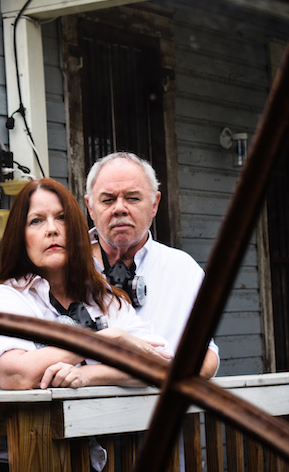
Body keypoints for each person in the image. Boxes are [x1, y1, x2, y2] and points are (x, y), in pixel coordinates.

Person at [0, 178, 169, 391]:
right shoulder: (10, 297)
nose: (52, 229)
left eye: (62, 218)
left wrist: (88, 375)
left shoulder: (104, 297)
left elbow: (161, 366)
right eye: (36, 220)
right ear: (20, 237)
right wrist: (107, 339)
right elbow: (16, 375)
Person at [85, 152, 220, 378]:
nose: (119, 208)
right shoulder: (61, 269)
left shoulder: (184, 270)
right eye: (108, 199)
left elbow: (207, 356)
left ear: (154, 203)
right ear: (90, 206)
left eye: (132, 198)